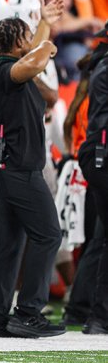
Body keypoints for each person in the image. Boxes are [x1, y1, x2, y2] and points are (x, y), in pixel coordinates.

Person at [0, 0, 67, 339]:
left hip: (10, 167)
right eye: (27, 37)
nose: (32, 43)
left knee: (9, 243)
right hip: (19, 168)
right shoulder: (4, 69)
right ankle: (29, 312)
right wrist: (47, 42)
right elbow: (31, 63)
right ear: (17, 42)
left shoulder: (6, 67)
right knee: (48, 235)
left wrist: (44, 23)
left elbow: (32, 60)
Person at [78, 28, 108, 335]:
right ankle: (98, 316)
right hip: (103, 154)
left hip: (98, 154)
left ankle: (97, 315)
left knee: (102, 238)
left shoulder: (101, 64)